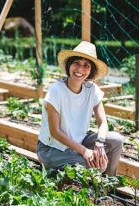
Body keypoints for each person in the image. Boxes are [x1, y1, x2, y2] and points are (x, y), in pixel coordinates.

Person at [37, 41, 124, 177]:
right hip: (52, 149)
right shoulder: (56, 90)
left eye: (86, 65)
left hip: (78, 141)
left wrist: (100, 143)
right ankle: (93, 179)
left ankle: (108, 183)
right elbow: (55, 132)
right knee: (96, 166)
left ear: (91, 71)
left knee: (116, 140)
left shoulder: (91, 90)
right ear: (69, 65)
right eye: (76, 62)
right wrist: (85, 151)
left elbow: (103, 123)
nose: (80, 69)